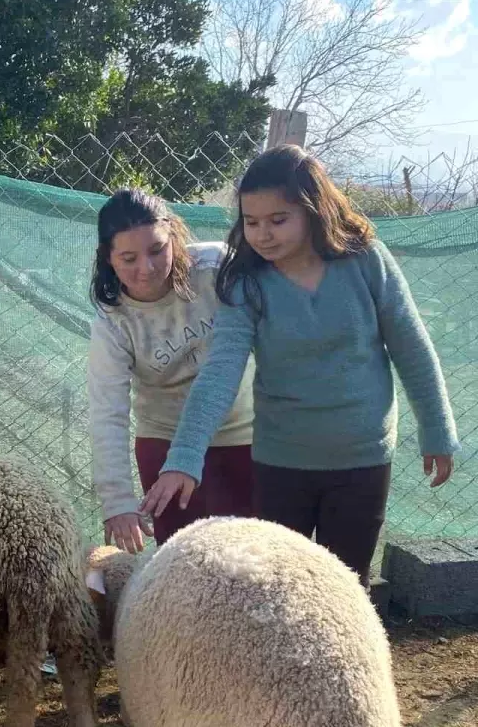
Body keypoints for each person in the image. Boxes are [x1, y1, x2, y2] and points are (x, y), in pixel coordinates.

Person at [140, 145, 459, 585]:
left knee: (345, 588)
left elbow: (411, 347)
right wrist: (185, 455)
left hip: (361, 458)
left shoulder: (365, 260)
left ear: (313, 209)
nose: (262, 234)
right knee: (280, 589)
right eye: (251, 222)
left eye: (278, 220)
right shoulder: (245, 281)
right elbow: (220, 372)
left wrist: (437, 430)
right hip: (281, 462)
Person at [87, 188, 256, 554]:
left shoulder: (216, 269)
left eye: (157, 250)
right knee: (181, 563)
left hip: (243, 436)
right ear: (108, 258)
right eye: (128, 258)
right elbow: (107, 411)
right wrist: (117, 501)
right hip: (163, 444)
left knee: (251, 559)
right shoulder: (113, 320)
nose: (146, 269)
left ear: (174, 237)